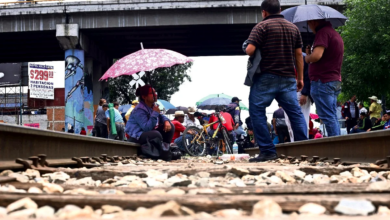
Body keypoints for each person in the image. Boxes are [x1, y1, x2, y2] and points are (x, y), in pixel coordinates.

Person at [245, 0, 307, 162]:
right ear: (280, 10)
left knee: (257, 111)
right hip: (288, 78)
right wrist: (300, 78)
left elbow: (250, 50)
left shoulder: (261, 27)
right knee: (295, 113)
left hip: (266, 77)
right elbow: (299, 55)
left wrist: (247, 45)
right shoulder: (293, 28)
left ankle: (267, 151)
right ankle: (304, 148)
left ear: (264, 12)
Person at [305, 16, 344, 137]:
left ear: (313, 21)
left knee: (327, 116)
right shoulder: (334, 34)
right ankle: (338, 143)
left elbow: (316, 56)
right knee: (331, 115)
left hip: (322, 81)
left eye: (309, 23)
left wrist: (307, 57)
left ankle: (336, 146)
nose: (309, 26)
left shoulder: (323, 33)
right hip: (333, 80)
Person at [125, 85, 174, 149]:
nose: (155, 95)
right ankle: (159, 150)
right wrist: (155, 113)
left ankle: (165, 149)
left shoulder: (153, 106)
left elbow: (161, 116)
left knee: (171, 126)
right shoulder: (139, 109)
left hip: (149, 132)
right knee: (156, 135)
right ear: (144, 97)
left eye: (155, 92)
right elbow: (146, 128)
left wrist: (166, 121)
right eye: (152, 93)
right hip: (137, 135)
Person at [298, 53, 312, 137]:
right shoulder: (285, 55)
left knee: (303, 120)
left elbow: (308, 76)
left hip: (301, 92)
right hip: (289, 92)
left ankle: (303, 143)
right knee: (290, 124)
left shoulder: (303, 57)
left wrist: (305, 93)